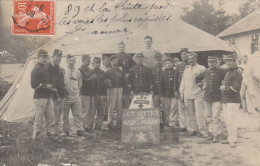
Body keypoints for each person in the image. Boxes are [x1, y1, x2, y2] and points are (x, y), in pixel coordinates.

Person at [195, 55, 226, 143]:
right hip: (207, 97)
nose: (211, 64)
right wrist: (202, 87)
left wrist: (224, 86)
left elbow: (229, 76)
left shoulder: (221, 71)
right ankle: (211, 133)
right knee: (208, 117)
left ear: (216, 63)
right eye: (210, 62)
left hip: (217, 97)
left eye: (213, 62)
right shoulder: (206, 71)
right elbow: (196, 79)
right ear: (208, 63)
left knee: (215, 117)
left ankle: (216, 135)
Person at [179, 52, 208, 137]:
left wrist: (203, 89)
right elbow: (183, 82)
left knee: (199, 113)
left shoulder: (201, 68)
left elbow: (205, 81)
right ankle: (192, 129)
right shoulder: (186, 69)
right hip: (187, 94)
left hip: (198, 94)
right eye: (189, 59)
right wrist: (182, 93)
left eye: (192, 58)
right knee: (190, 113)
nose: (191, 60)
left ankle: (203, 131)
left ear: (196, 59)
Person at [31, 49, 56, 140]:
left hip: (48, 96)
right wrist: (46, 86)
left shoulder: (45, 68)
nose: (45, 59)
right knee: (39, 118)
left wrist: (51, 87)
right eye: (43, 57)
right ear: (38, 58)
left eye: (46, 57)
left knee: (51, 117)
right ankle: (36, 137)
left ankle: (51, 134)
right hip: (40, 97)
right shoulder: (35, 69)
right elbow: (33, 85)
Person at [220, 54, 242, 148]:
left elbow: (237, 88)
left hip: (233, 100)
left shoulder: (237, 73)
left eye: (231, 61)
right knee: (227, 120)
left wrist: (225, 87)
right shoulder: (227, 72)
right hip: (226, 99)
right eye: (227, 61)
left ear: (234, 62)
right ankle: (230, 138)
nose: (228, 63)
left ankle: (233, 140)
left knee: (231, 120)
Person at [63, 55, 85, 136]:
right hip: (66, 96)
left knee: (78, 114)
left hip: (76, 96)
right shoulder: (63, 71)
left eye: (73, 61)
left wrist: (76, 91)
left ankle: (79, 130)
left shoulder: (78, 72)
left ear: (75, 62)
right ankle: (66, 130)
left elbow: (80, 83)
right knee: (65, 114)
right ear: (67, 61)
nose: (71, 62)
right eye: (69, 60)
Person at [46, 49, 67, 135]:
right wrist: (55, 94)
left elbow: (61, 82)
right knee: (54, 114)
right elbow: (49, 82)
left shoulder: (60, 68)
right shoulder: (48, 66)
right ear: (52, 57)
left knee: (59, 113)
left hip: (62, 94)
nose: (59, 58)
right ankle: (52, 132)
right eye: (57, 56)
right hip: (54, 94)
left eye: (60, 57)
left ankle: (56, 130)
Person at [105, 55, 127, 130]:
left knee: (119, 106)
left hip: (120, 89)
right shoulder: (108, 72)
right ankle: (109, 123)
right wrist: (108, 84)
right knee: (111, 106)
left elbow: (124, 83)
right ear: (111, 62)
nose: (115, 62)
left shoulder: (121, 71)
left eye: (116, 61)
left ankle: (119, 123)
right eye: (113, 61)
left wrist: (124, 93)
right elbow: (105, 82)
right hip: (112, 90)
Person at [78, 55, 97, 132]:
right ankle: (82, 127)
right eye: (87, 61)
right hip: (84, 93)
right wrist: (91, 78)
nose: (89, 62)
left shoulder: (88, 70)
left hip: (91, 93)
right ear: (83, 60)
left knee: (91, 111)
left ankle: (88, 127)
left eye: (89, 61)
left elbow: (93, 83)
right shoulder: (80, 70)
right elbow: (81, 81)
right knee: (84, 111)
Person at [159, 57, 178, 127]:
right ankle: (167, 121)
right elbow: (161, 84)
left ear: (172, 64)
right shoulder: (163, 73)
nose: (168, 64)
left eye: (170, 63)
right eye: (167, 63)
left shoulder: (176, 71)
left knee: (174, 108)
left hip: (174, 93)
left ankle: (173, 123)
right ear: (165, 64)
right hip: (166, 94)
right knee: (167, 108)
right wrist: (161, 95)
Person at [174, 48, 189, 132]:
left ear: (188, 54)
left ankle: (190, 125)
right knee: (181, 108)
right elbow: (176, 78)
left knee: (188, 107)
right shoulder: (179, 65)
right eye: (182, 54)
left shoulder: (191, 64)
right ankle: (183, 126)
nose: (184, 56)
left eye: (185, 54)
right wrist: (175, 90)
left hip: (189, 89)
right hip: (180, 89)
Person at [117, 41, 136, 108]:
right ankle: (120, 108)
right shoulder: (116, 56)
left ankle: (127, 107)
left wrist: (130, 71)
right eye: (120, 47)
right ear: (118, 48)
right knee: (121, 92)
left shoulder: (129, 56)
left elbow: (134, 65)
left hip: (127, 75)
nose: (121, 48)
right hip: (119, 76)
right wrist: (118, 67)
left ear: (124, 47)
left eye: (122, 47)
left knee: (127, 91)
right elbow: (112, 66)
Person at [92, 57, 107, 131]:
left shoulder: (103, 73)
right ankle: (89, 126)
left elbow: (105, 84)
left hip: (101, 94)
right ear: (93, 63)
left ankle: (98, 126)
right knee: (92, 111)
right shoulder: (90, 72)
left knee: (101, 110)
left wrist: (105, 94)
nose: (97, 64)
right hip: (93, 94)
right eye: (96, 62)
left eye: (99, 63)